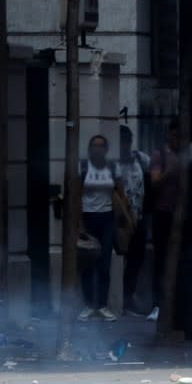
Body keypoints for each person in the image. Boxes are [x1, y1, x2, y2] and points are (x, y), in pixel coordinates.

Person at [78, 134, 126, 322]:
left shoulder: (113, 167)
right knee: (87, 263)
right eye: (94, 146)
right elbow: (76, 196)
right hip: (88, 217)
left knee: (104, 263)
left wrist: (122, 216)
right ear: (91, 149)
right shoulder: (83, 167)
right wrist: (78, 224)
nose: (97, 149)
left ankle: (102, 305)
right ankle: (89, 304)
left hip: (106, 218)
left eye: (101, 146)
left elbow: (121, 194)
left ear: (106, 150)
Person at [147, 118, 180, 322]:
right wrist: (171, 170)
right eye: (175, 135)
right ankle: (158, 304)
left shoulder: (184, 155)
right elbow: (155, 181)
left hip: (180, 214)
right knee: (160, 261)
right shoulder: (160, 155)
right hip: (163, 213)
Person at [118, 125, 151, 316]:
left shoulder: (140, 159)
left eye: (126, 142)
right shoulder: (112, 163)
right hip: (121, 218)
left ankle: (128, 296)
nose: (124, 146)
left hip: (138, 216)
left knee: (135, 259)